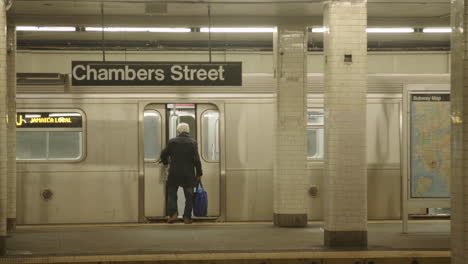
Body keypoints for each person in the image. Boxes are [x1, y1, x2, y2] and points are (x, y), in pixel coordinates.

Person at [160, 122, 203, 224]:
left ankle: (173, 214)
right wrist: (199, 173)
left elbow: (163, 154)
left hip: (174, 174)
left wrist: (166, 163)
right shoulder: (193, 142)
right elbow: (197, 160)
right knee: (189, 196)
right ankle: (187, 217)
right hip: (188, 174)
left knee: (172, 195)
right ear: (188, 131)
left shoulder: (172, 142)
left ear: (178, 131)